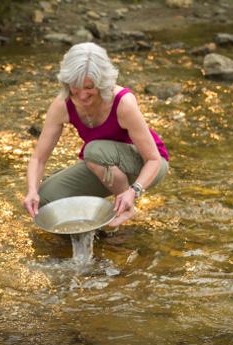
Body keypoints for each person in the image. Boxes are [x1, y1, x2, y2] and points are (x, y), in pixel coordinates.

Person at [23, 42, 170, 227]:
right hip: (102, 165)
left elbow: (154, 160)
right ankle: (94, 223)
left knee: (93, 150)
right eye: (76, 87)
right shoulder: (62, 105)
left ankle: (125, 208)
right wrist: (31, 191)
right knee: (45, 200)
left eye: (90, 88)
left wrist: (133, 191)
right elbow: (38, 159)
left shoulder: (123, 103)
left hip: (146, 166)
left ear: (103, 84)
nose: (82, 95)